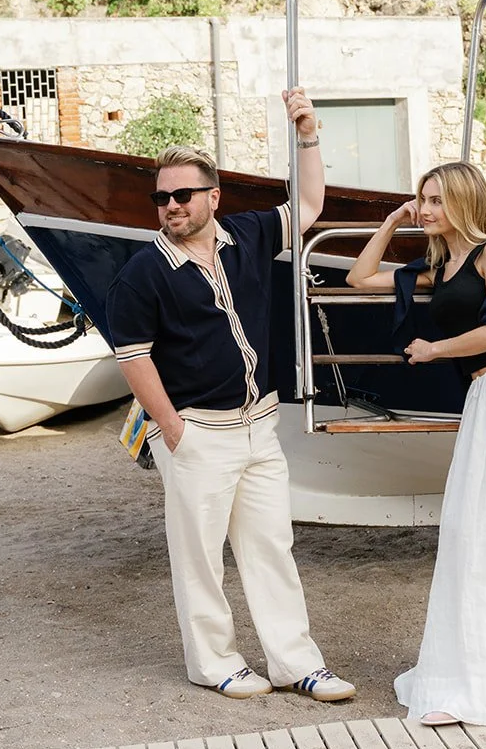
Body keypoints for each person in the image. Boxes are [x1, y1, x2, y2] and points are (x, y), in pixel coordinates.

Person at [106, 89, 355, 704]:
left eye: (182, 195)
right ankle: (214, 663)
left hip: (257, 426)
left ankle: (296, 663)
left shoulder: (245, 236)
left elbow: (310, 206)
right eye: (161, 197)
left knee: (271, 543)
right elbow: (133, 357)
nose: (170, 206)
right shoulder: (143, 273)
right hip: (197, 432)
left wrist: (307, 133)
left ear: (212, 197)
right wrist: (171, 428)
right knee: (199, 557)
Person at [346, 161, 486, 725]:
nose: (425, 210)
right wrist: (392, 221)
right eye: (421, 200)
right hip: (485, 400)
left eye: (435, 201)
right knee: (480, 533)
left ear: (464, 202)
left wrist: (433, 349)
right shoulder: (440, 268)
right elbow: (360, 278)